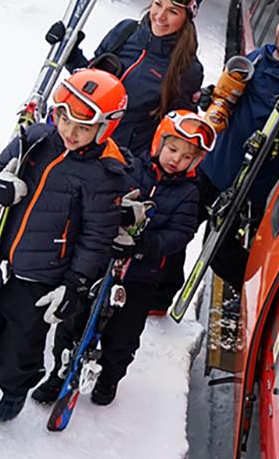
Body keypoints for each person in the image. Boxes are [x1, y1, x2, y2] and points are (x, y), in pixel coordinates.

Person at [0, 69, 128, 435]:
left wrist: (75, 284)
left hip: (43, 280)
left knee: (19, 349)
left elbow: (97, 237)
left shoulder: (104, 176)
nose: (70, 132)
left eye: (83, 128)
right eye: (65, 119)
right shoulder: (35, 140)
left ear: (105, 129)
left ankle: (15, 386)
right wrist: (0, 184)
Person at [31, 109, 210, 406]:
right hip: (103, 262)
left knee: (124, 336)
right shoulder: (129, 168)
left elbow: (181, 233)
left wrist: (144, 244)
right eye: (173, 149)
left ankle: (109, 378)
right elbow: (103, 198)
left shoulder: (187, 193)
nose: (176, 159)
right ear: (158, 143)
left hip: (141, 275)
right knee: (75, 320)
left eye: (187, 157)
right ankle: (60, 373)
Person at [192, 0, 279, 288]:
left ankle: (258, 294)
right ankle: (158, 299)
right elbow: (229, 101)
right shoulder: (257, 58)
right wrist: (210, 98)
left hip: (245, 185)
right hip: (213, 166)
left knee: (219, 254)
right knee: (179, 226)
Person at [68, 0, 207, 157]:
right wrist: (70, 53)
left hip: (116, 159)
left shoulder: (188, 69)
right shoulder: (125, 31)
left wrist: (200, 109)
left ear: (186, 19)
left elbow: (174, 134)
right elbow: (89, 80)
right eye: (158, 4)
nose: (160, 16)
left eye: (173, 11)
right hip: (78, 135)